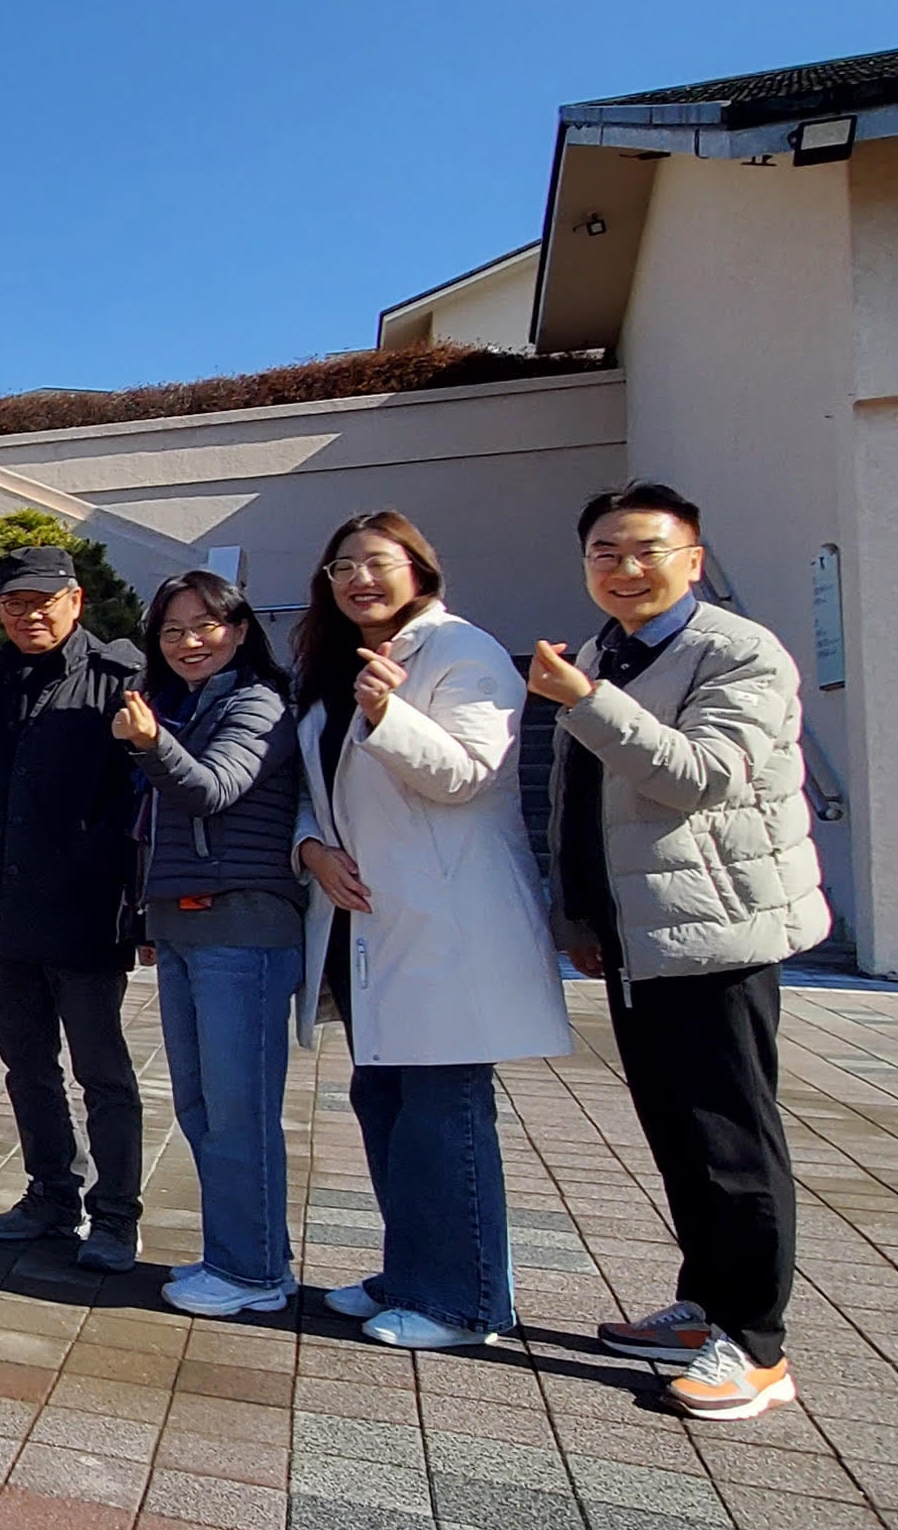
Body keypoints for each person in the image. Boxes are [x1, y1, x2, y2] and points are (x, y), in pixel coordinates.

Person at [533, 483, 828, 1420]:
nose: (623, 569)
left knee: (732, 1137)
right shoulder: (602, 651)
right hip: (639, 933)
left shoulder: (737, 653)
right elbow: (578, 803)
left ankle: (758, 1346)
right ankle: (705, 1306)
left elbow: (699, 777)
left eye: (645, 550)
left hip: (718, 931)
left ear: (692, 560)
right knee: (675, 1130)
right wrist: (578, 915)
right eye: (604, 554)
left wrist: (585, 700)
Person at [292, 511, 571, 1349]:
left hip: (447, 923)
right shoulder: (336, 667)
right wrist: (309, 848)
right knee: (385, 1101)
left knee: (444, 1112)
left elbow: (466, 774)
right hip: (370, 919)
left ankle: (465, 1299)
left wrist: (389, 717)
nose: (357, 581)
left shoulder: (465, 653)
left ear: (420, 569)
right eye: (342, 566)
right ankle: (411, 1269)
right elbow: (312, 783)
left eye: (375, 564)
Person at [0, 545, 145, 1272]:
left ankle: (116, 1215)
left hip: (85, 912)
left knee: (103, 1071)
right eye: (15, 602)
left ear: (76, 601)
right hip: (3, 909)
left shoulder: (120, 680)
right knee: (26, 1064)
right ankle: (52, 1193)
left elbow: (144, 801)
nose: (31, 614)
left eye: (44, 600)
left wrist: (139, 910)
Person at [112, 572, 304, 1316]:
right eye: (172, 630)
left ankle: (252, 1270)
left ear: (241, 628)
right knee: (198, 1104)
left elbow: (213, 789)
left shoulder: (257, 702)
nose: (190, 641)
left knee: (239, 1108)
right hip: (187, 923)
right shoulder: (184, 705)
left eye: (205, 625)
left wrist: (152, 744)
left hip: (243, 926)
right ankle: (247, 1254)